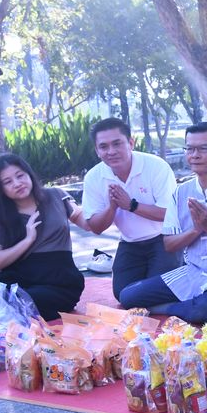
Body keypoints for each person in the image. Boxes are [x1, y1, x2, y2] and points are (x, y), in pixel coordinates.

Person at [118, 122, 207, 322]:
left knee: (204, 311)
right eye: (190, 149)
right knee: (128, 295)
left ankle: (170, 308)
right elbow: (169, 244)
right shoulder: (181, 192)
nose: (195, 155)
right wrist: (196, 230)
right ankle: (191, 306)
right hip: (194, 273)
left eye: (203, 148)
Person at [81, 118, 181, 299]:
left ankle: (181, 275)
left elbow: (170, 214)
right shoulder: (94, 177)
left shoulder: (156, 166)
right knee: (122, 293)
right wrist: (112, 207)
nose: (111, 151)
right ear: (97, 151)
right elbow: (95, 227)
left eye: (117, 144)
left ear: (131, 143)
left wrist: (131, 205)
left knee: (148, 292)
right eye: (103, 147)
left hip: (164, 239)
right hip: (129, 242)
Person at [0, 154, 85, 321]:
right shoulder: (2, 215)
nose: (17, 183)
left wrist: (110, 205)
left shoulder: (55, 195)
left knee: (18, 302)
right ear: (0, 189)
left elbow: (89, 222)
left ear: (29, 174)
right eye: (7, 182)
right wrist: (27, 240)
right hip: (22, 278)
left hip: (60, 281)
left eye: (20, 175)